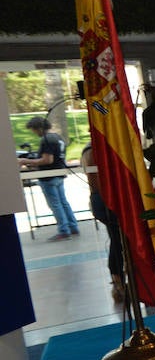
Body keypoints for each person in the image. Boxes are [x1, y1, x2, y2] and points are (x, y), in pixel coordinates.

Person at [19, 116, 78, 240]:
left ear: (39, 128)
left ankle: (63, 230)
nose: (34, 133)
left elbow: (47, 160)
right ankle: (73, 226)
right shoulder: (57, 137)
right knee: (63, 202)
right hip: (59, 174)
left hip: (48, 177)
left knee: (55, 204)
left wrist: (26, 161)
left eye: (33, 130)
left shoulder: (46, 139)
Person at [80, 145, 124, 304]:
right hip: (106, 200)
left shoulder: (90, 150)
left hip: (102, 200)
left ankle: (118, 282)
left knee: (117, 240)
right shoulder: (93, 150)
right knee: (119, 241)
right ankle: (118, 282)